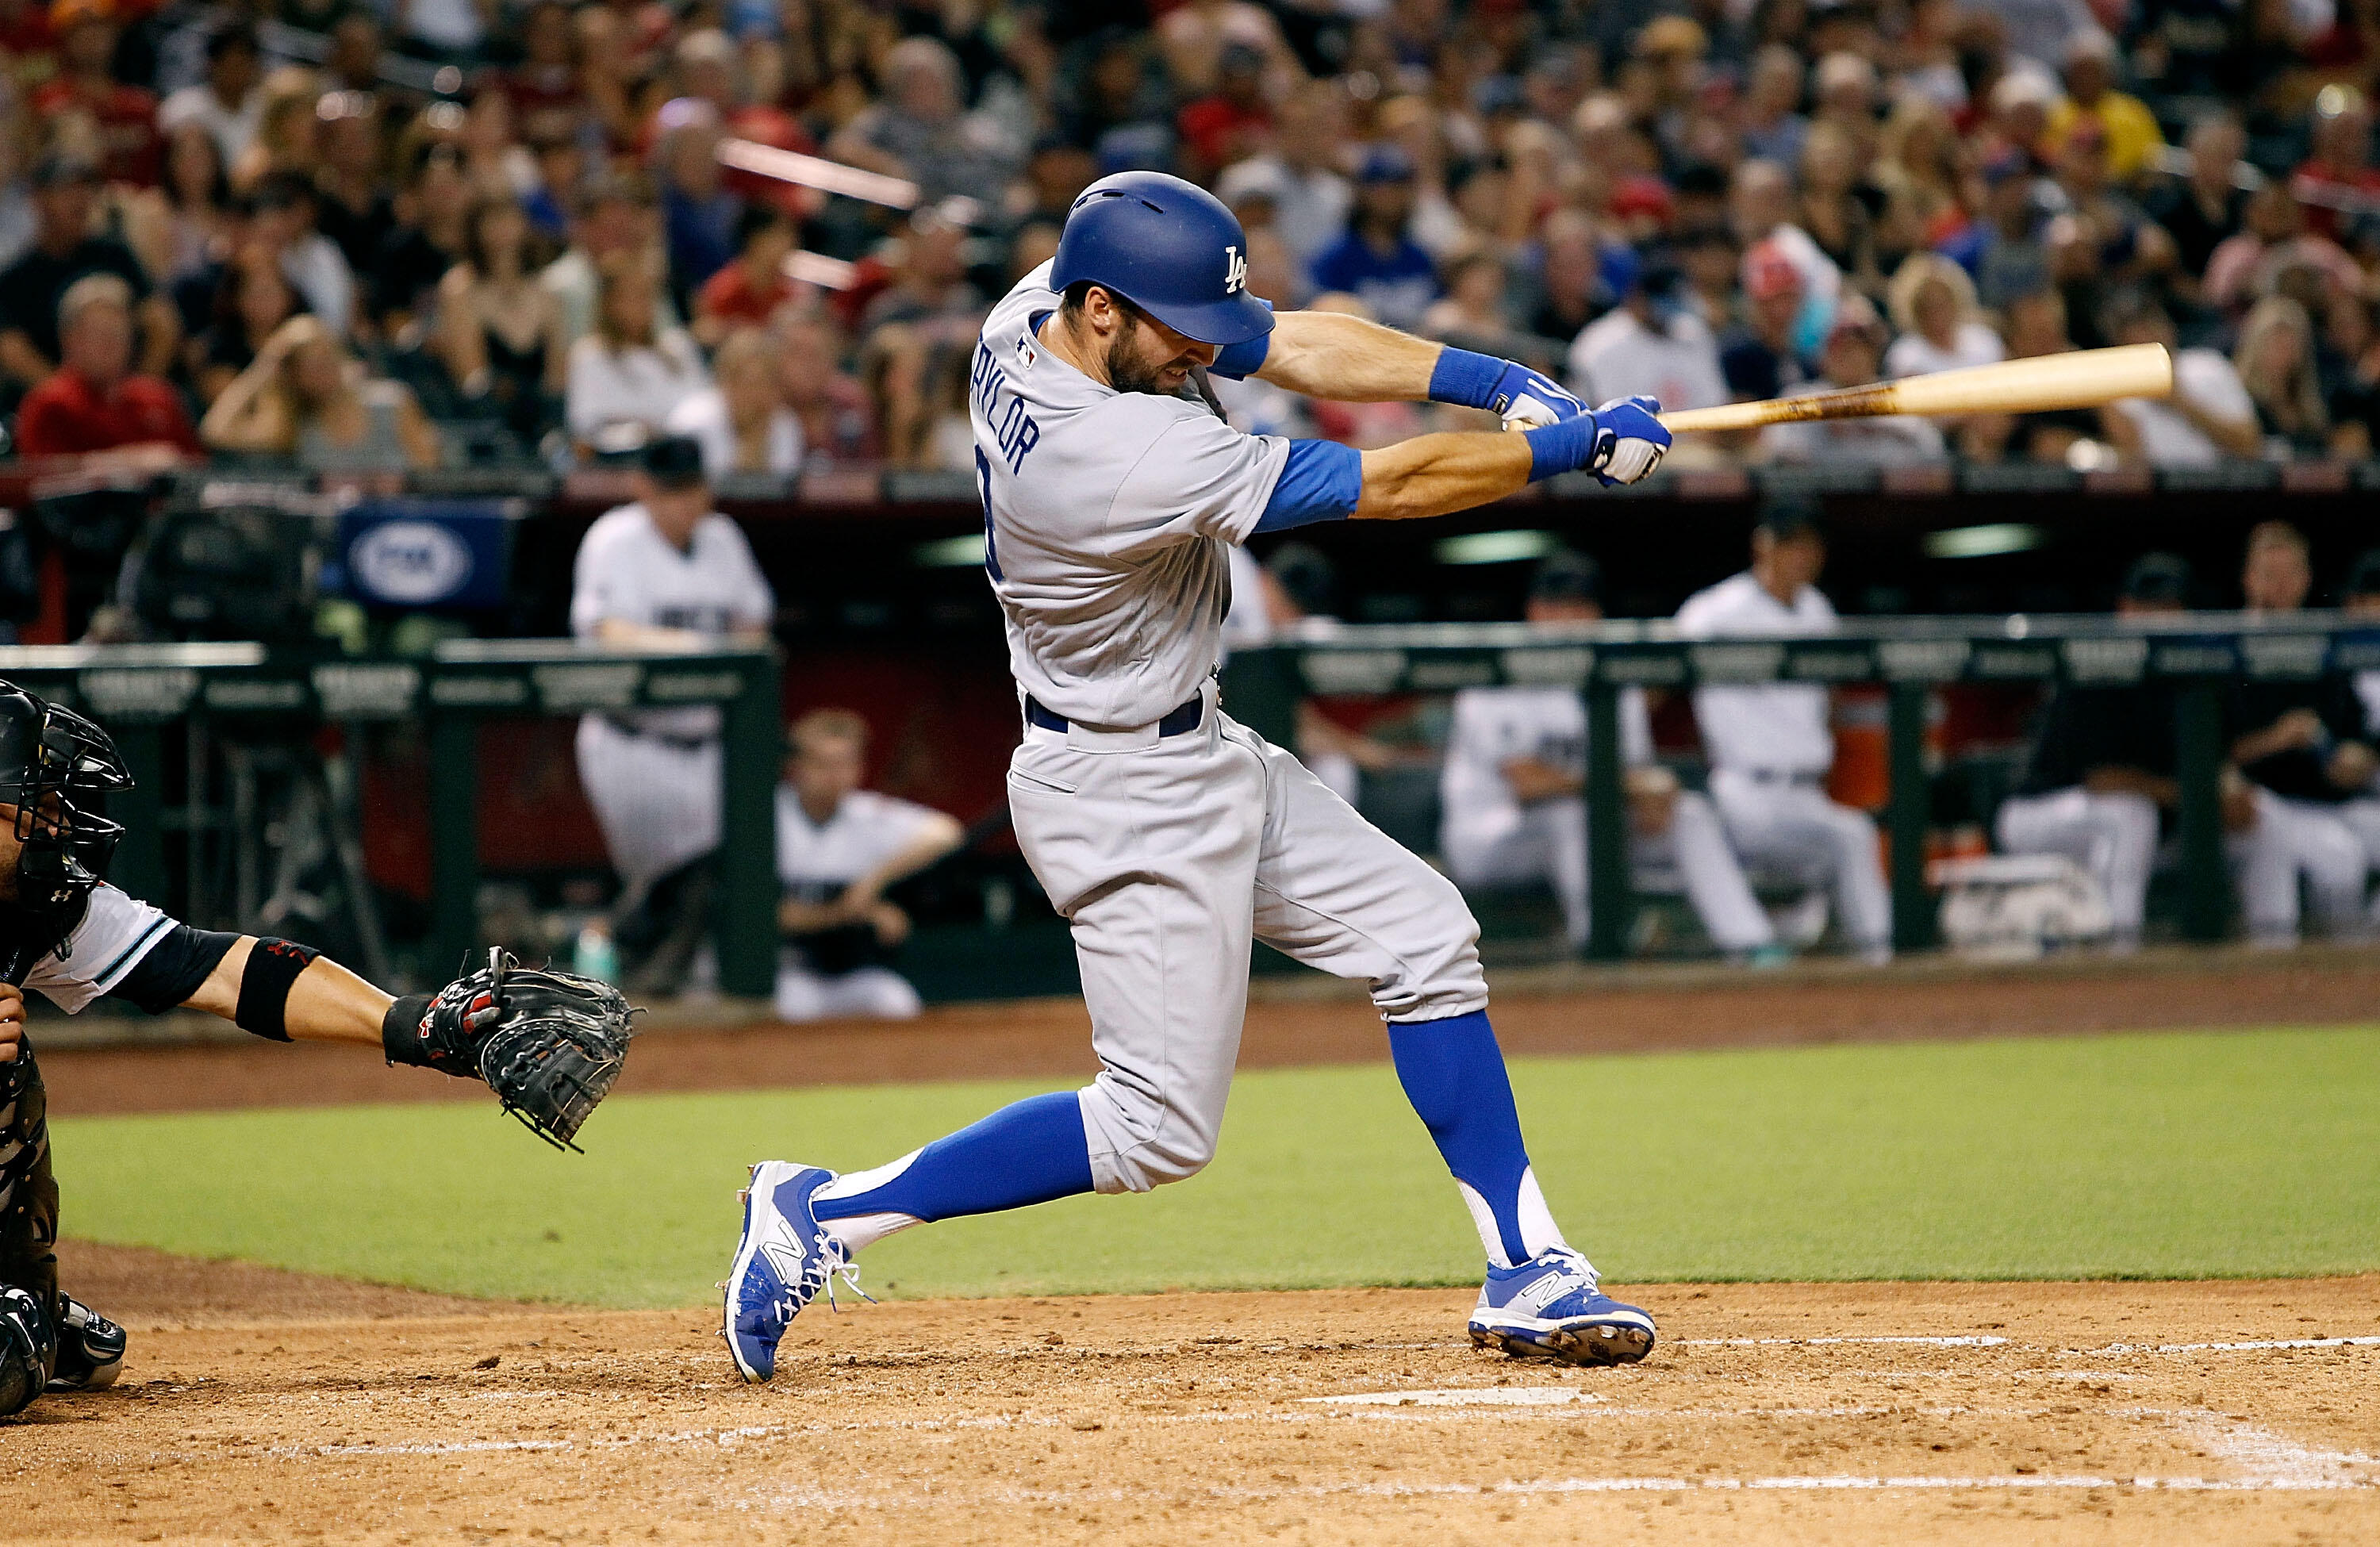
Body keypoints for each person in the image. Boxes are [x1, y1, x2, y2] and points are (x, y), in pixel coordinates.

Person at [723, 170, 1672, 1385]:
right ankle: (823, 1211)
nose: (1203, 357)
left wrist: (1498, 384)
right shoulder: (1117, 451)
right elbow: (1390, 486)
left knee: (1426, 937)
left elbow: (1286, 339)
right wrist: (1572, 447)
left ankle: (1528, 1264)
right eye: (1181, 334)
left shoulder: (1033, 312)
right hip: (1122, 790)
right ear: (1106, 309)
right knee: (1155, 1127)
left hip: (1198, 742)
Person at [0, 679, 625, 1418]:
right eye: (29, 807)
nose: (55, 824)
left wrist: (410, 1025)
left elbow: (226, 970)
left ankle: (21, 1295)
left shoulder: (35, 905)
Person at [1438, 550, 1782, 962]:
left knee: (1688, 814)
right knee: (1571, 817)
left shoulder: (1616, 682)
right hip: (1491, 837)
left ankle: (1750, 944)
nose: (1569, 618)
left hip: (1587, 828)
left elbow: (1636, 772)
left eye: (1581, 606)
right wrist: (1624, 786)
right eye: (1557, 606)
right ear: (1534, 611)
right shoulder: (1499, 676)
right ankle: (1602, 947)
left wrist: (1652, 794)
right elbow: (1528, 784)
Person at [570, 434, 774, 995]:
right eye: (672, 492)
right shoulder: (613, 538)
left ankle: (661, 982)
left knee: (719, 871)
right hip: (634, 739)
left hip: (709, 742)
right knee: (665, 879)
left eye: (694, 490)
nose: (686, 503)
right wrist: (692, 647)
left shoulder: (722, 538)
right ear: (643, 489)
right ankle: (609, 967)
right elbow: (603, 630)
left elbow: (753, 624)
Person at [1676, 505, 1893, 963]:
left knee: (1847, 840)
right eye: (1790, 543)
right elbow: (1654, 676)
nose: (1801, 555)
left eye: (1809, 545)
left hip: (1808, 791)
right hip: (1744, 793)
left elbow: (1829, 698)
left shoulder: (1818, 611)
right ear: (1764, 544)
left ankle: (1861, 963)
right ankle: (1877, 956)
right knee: (1852, 837)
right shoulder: (1715, 612)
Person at [1994, 554, 2212, 950]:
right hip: (2040, 813)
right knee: (2131, 815)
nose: (2160, 618)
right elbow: (2103, 780)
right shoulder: (2097, 668)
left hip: (2117, 820)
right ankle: (2117, 951)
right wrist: (2193, 796)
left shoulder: (2189, 678)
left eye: (2171, 608)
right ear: (2125, 610)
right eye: (2149, 607)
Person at [2221, 521, 2374, 944]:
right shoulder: (2224, 649)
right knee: (2341, 860)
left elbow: (2356, 735)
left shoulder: (2325, 644)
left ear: (2306, 580)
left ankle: (2357, 970)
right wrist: (2278, 738)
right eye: (2270, 575)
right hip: (2262, 803)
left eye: (2290, 574)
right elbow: (2209, 751)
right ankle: (2314, 978)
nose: (2281, 586)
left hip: (2327, 800)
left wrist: (2354, 758)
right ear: (2249, 580)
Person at [771, 709, 965, 1022]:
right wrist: (853, 912)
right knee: (788, 1011)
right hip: (788, 974)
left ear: (858, 768)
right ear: (795, 767)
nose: (833, 775)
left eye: (843, 764)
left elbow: (947, 832)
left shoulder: (866, 814)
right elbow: (767, 917)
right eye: (822, 764)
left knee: (897, 1003)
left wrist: (871, 884)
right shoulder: (766, 818)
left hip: (852, 975)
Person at [0, 153, 178, 394]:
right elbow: (12, 351)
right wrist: (76, 402)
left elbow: (162, 324)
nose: (80, 199)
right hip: (53, 404)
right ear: (38, 200)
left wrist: (133, 393)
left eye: (85, 189)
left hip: (125, 392)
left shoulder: (115, 254)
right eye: (66, 190)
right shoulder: (16, 277)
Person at [198, 314, 443, 473]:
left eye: (328, 359)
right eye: (310, 367)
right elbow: (215, 431)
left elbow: (431, 474)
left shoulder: (393, 403)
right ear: (294, 378)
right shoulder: (293, 428)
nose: (324, 371)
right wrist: (263, 367)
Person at [13, 272, 202, 464]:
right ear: (69, 339)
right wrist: (129, 462)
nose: (111, 344)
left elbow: (197, 466)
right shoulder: (49, 405)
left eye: (119, 333)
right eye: (100, 334)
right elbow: (42, 477)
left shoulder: (159, 397)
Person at [433, 195, 567, 445]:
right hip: (484, 424)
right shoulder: (459, 289)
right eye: (492, 219)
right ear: (476, 227)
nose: (502, 227)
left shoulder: (546, 293)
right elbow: (471, 379)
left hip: (541, 425)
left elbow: (556, 379)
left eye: (509, 217)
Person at [565, 251, 708, 455]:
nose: (640, 306)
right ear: (607, 304)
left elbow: (702, 408)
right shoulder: (590, 355)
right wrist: (640, 431)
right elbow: (585, 425)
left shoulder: (679, 347)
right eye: (629, 297)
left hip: (681, 458)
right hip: (621, 463)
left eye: (645, 295)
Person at [1568, 256, 1729, 417]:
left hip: (1693, 436)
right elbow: (1602, 417)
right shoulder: (1600, 344)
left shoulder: (1693, 332)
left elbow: (1714, 405)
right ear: (1638, 297)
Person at [1307, 148, 1440, 332]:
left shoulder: (1420, 258)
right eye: (1381, 189)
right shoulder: (1337, 257)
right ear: (1362, 193)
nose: (1390, 198)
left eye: (1398, 188)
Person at [665, 325, 800, 478]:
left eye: (771, 382)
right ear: (727, 381)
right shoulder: (692, 424)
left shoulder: (784, 421)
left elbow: (782, 490)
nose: (763, 393)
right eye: (754, 382)